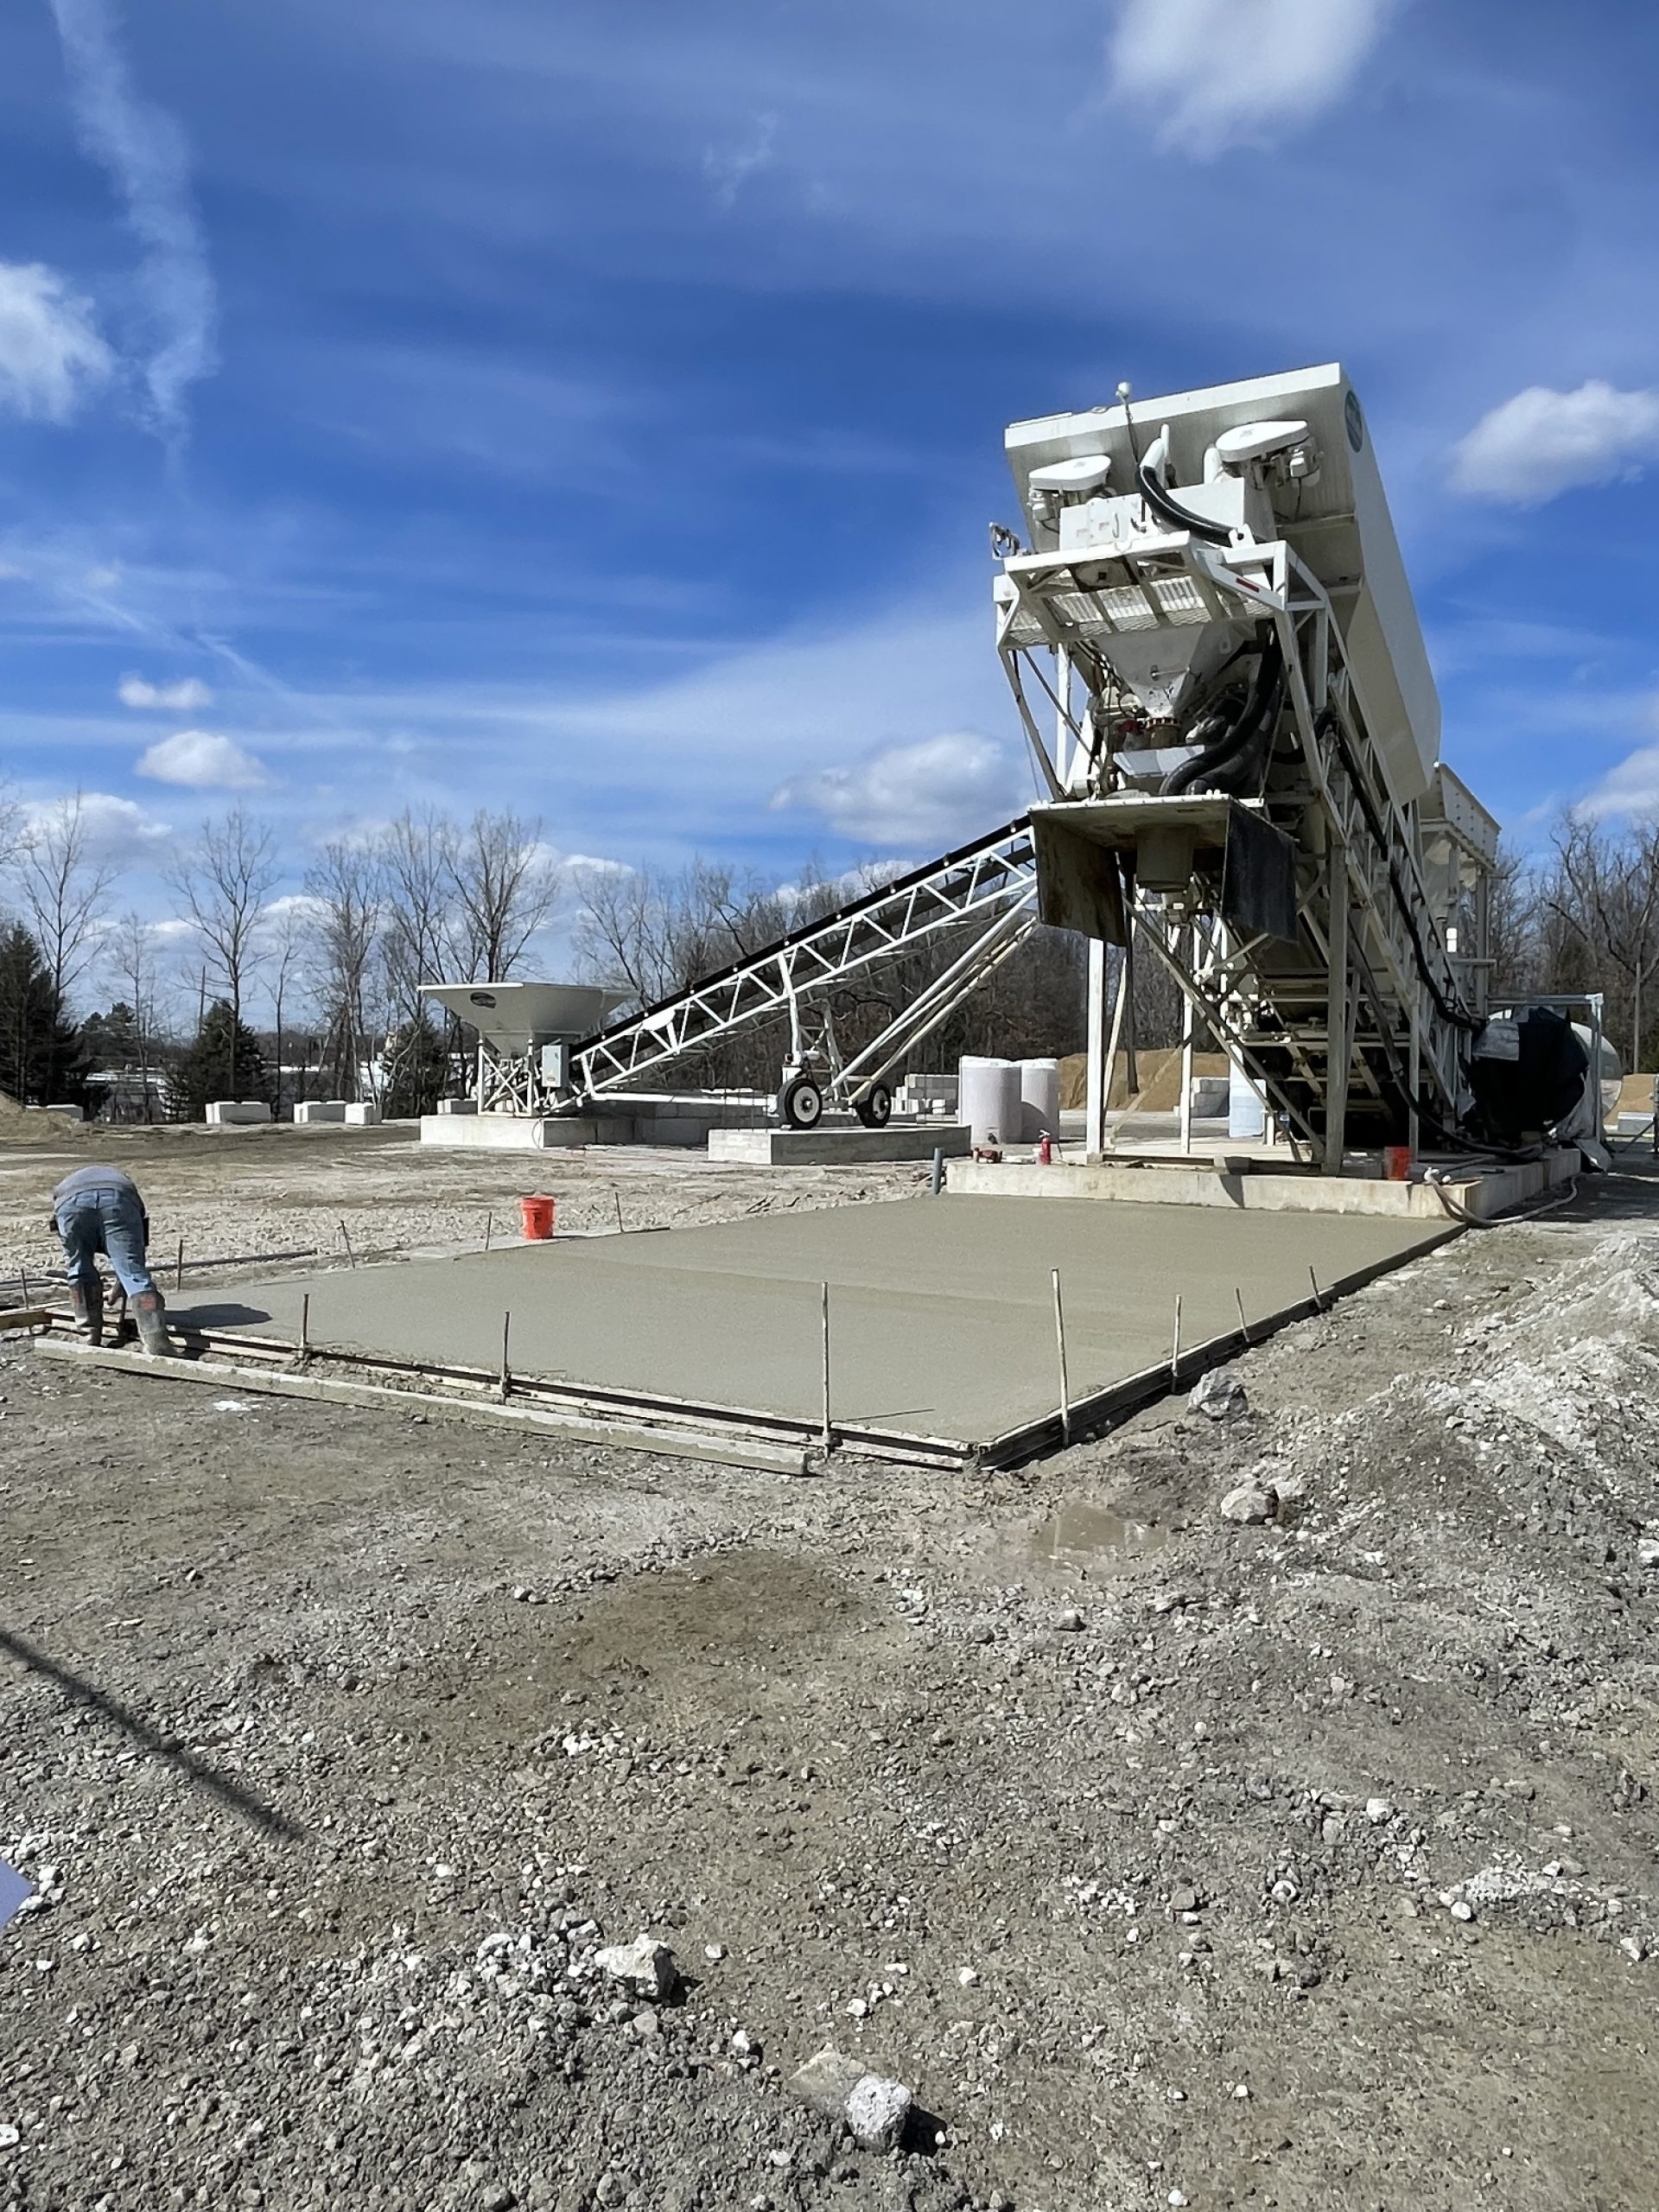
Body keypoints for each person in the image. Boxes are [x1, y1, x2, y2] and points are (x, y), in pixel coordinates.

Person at [49, 1165, 171, 1354]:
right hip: (118, 1200)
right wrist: (124, 1284)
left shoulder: (72, 1181)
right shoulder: (123, 1185)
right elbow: (134, 1259)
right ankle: (156, 1343)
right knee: (134, 1274)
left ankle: (88, 1338)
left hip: (70, 1204)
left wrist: (117, 1289)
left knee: (79, 1270)